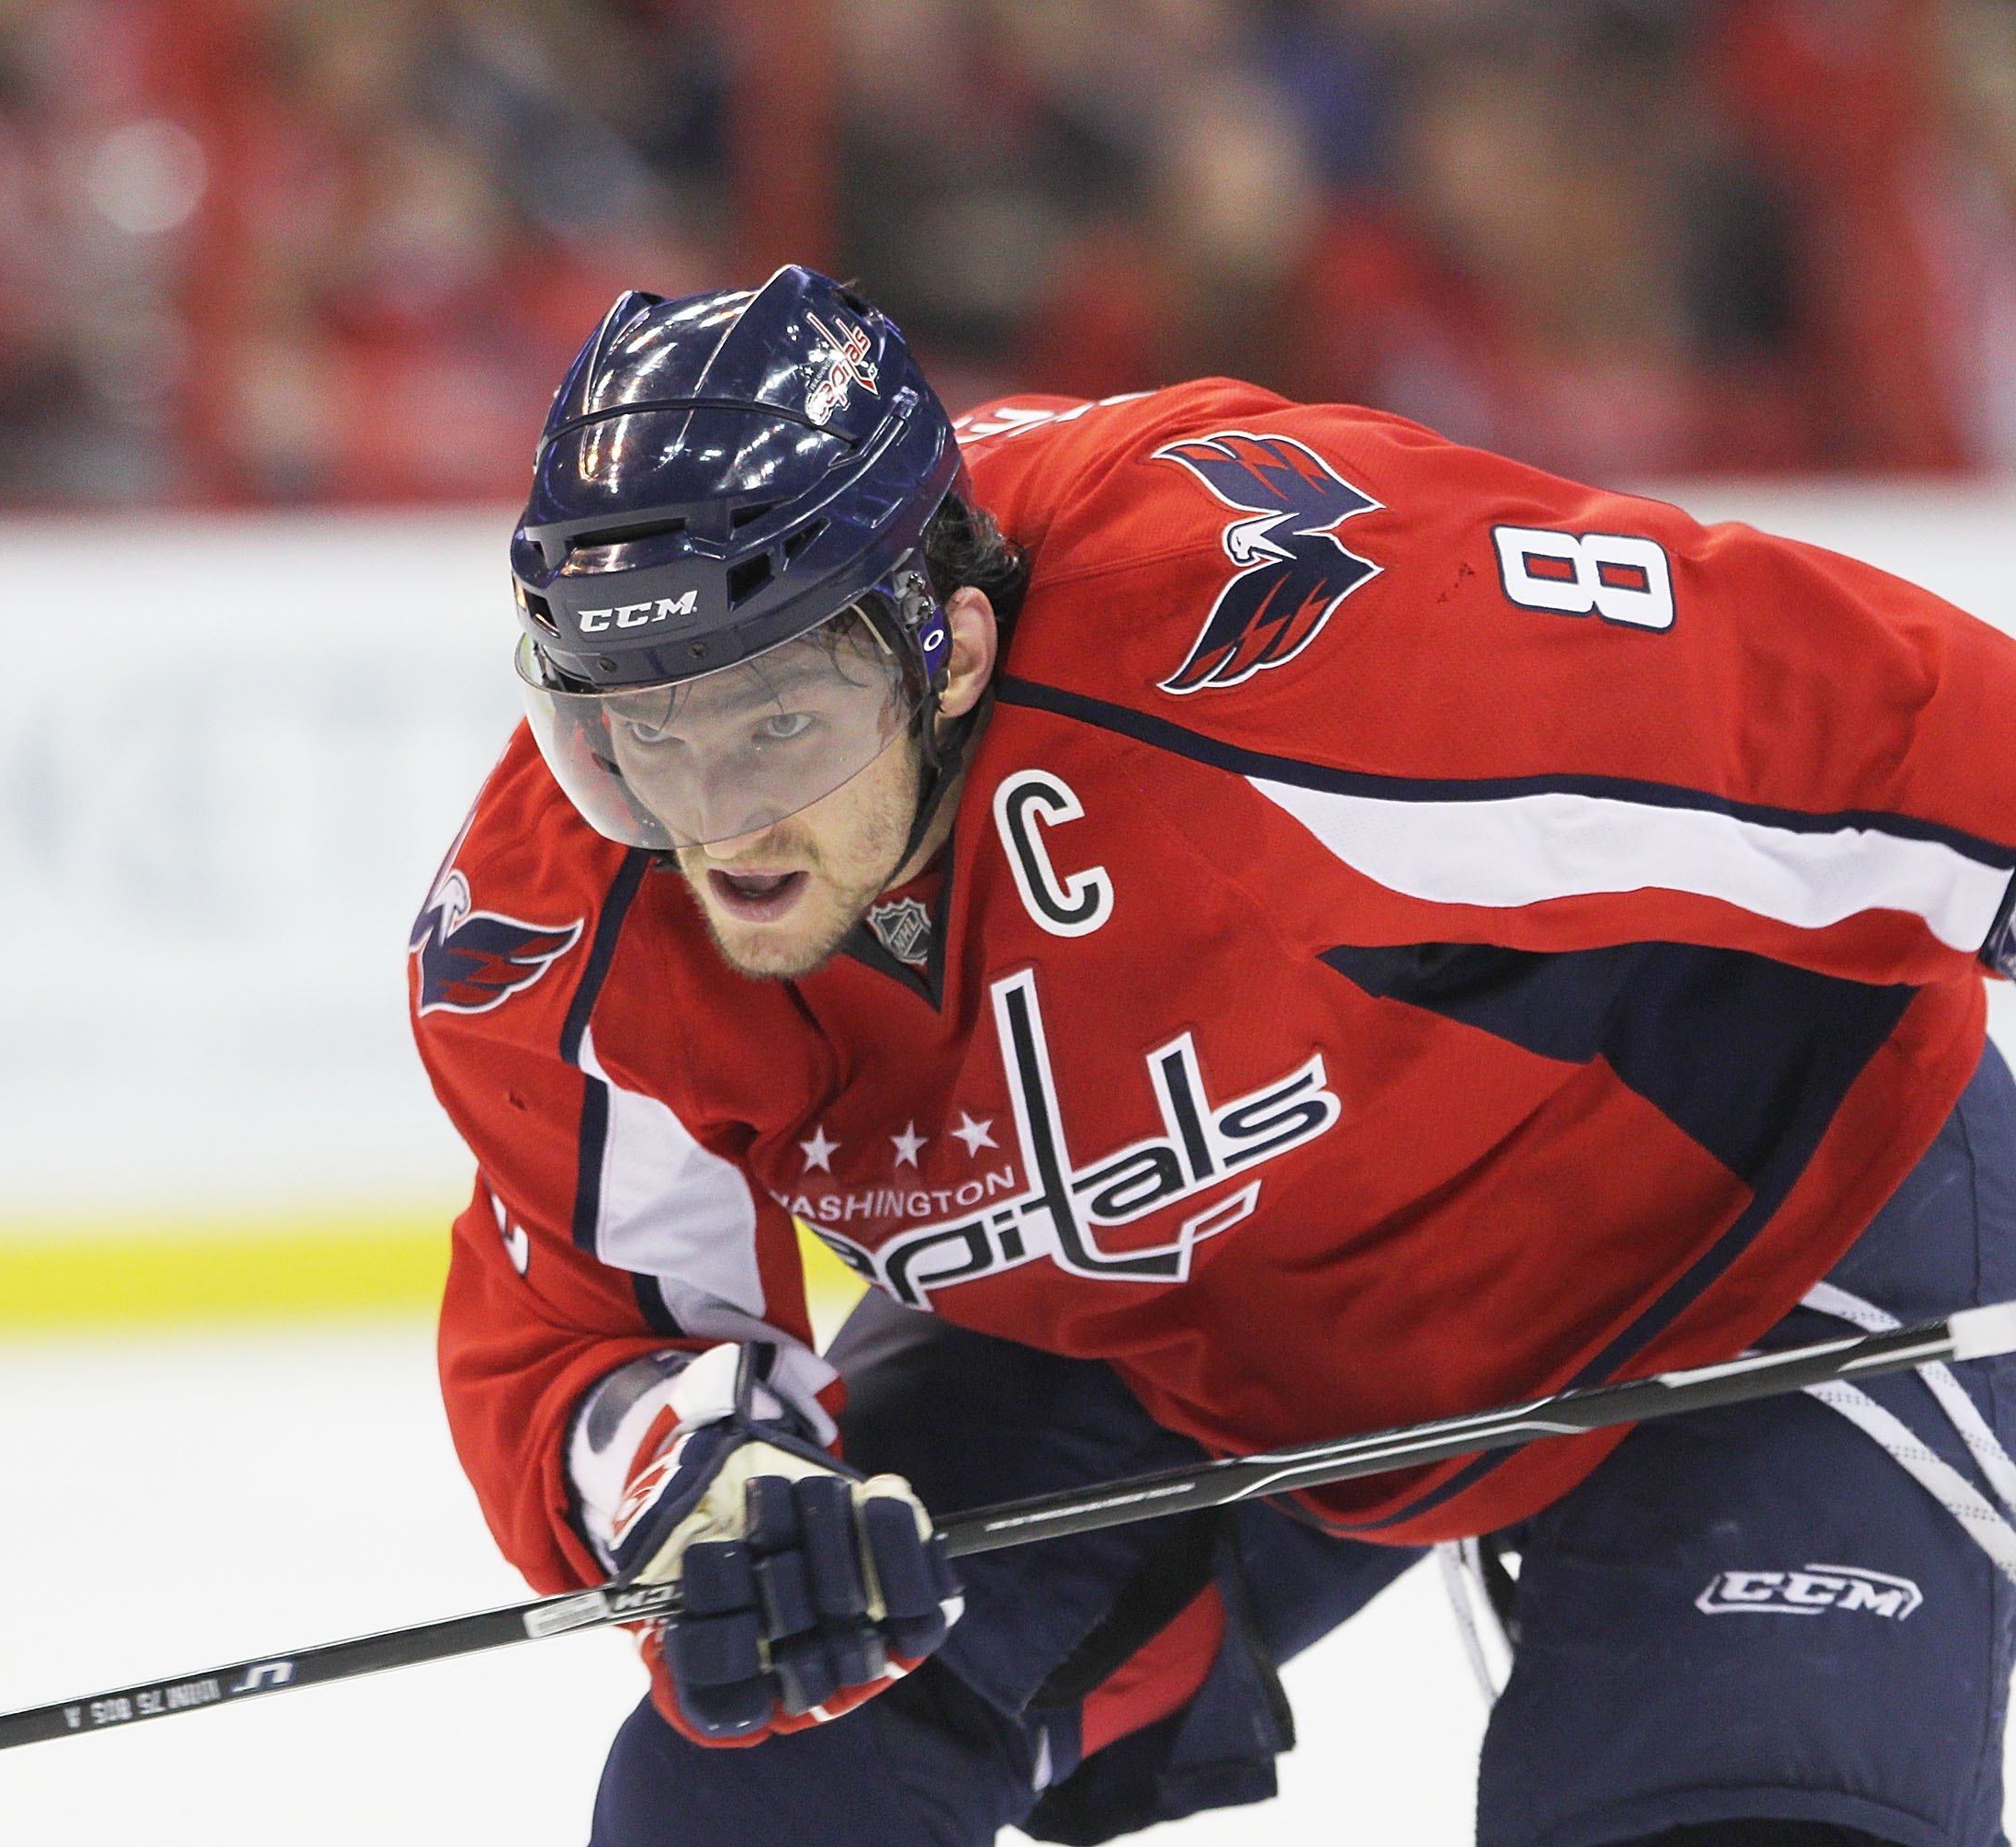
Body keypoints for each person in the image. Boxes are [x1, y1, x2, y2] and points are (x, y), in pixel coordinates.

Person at [407, 265, 2016, 1847]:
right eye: (635, 737)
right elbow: (585, 1330)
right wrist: (719, 1494)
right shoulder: (565, 922)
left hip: (1764, 1255)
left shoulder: (1300, 619)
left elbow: (1901, 722)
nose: (717, 823)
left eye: (780, 724)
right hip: (1189, 1339)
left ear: (947, 650)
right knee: (758, 1787)